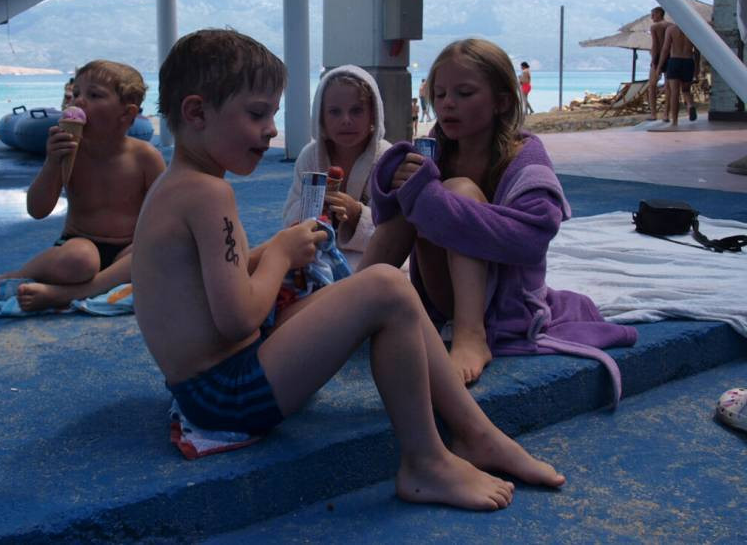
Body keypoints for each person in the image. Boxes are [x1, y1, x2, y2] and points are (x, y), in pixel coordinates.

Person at [133, 29, 564, 510]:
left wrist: (271, 253)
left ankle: (475, 434)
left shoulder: (181, 184)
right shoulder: (208, 194)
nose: (272, 130)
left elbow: (206, 281)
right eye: (257, 115)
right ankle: (427, 461)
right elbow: (236, 319)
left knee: (388, 293)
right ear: (196, 113)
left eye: (273, 114)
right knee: (385, 287)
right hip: (227, 396)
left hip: (211, 386)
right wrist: (278, 255)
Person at [359, 39, 637, 385]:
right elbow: (389, 220)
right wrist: (398, 182)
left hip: (504, 305)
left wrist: (434, 200)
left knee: (456, 191)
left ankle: (471, 336)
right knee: (417, 197)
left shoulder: (525, 160)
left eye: (464, 93)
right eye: (440, 94)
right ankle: (354, 305)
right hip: (441, 296)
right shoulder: (436, 150)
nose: (448, 104)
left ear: (501, 102)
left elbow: (530, 242)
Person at [0, 60, 166, 310]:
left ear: (126, 114)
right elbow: (37, 209)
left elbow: (165, 216)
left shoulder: (145, 157)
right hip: (79, 245)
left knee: (153, 252)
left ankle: (69, 293)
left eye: (94, 95)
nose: (79, 101)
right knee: (80, 260)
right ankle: (14, 276)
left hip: (127, 251)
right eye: (76, 94)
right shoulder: (71, 153)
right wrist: (52, 162)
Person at [281, 66, 391, 269]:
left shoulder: (386, 158)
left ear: (373, 115)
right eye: (334, 112)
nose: (346, 120)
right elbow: (289, 220)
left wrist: (356, 213)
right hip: (317, 255)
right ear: (320, 117)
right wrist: (312, 207)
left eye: (356, 111)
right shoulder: (310, 157)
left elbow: (394, 233)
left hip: (375, 258)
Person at [657, 23, 698, 127]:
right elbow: (697, 51)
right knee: (686, 90)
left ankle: (675, 121)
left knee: (674, 93)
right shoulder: (692, 29)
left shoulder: (671, 29)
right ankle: (690, 105)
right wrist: (697, 68)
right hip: (688, 61)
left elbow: (665, 49)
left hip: (675, 60)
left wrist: (659, 66)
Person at [647, 6, 672, 121]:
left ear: (658, 14)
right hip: (671, 56)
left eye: (653, 15)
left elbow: (655, 45)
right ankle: (666, 114)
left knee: (652, 86)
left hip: (658, 56)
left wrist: (654, 61)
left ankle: (653, 114)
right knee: (668, 87)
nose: (651, 17)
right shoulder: (671, 26)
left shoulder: (655, 27)